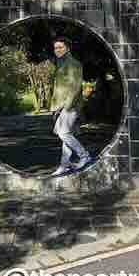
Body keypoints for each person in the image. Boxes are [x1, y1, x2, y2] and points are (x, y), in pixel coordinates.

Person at [50, 37, 92, 176]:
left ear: (67, 48)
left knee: (63, 132)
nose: (58, 50)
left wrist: (67, 106)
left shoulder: (74, 63)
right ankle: (65, 164)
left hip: (71, 104)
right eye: (56, 48)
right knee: (66, 133)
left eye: (60, 47)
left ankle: (84, 156)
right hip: (62, 105)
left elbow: (75, 86)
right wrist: (56, 106)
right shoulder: (61, 63)